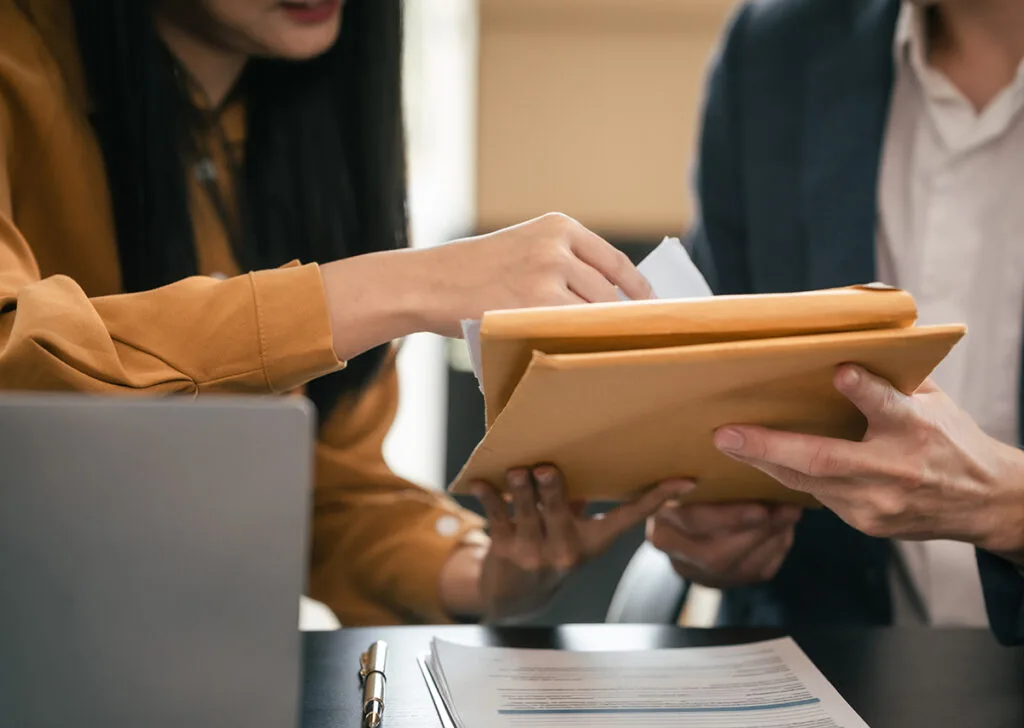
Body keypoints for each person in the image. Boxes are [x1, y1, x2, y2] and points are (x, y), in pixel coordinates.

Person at [0, 0, 692, 626]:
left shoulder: (298, 114)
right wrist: (403, 286)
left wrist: (493, 577)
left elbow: (331, 498)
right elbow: (15, 357)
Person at [647, 0, 1024, 645]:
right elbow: (715, 362)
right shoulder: (773, 49)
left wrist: (1007, 509)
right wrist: (711, 523)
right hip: (822, 662)